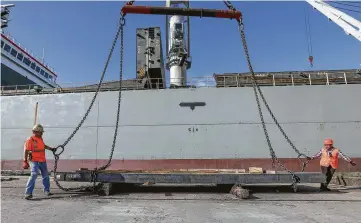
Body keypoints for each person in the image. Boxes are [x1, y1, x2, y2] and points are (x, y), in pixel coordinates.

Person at [23, 124, 56, 200]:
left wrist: (51, 149)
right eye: (40, 132)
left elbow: (43, 146)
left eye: (42, 132)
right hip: (34, 161)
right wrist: (25, 161)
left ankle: (47, 191)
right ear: (35, 132)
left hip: (42, 161)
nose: (42, 133)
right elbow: (26, 151)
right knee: (34, 174)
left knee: (46, 176)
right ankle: (28, 193)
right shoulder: (30, 140)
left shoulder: (40, 139)